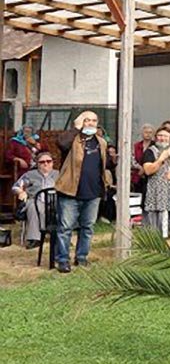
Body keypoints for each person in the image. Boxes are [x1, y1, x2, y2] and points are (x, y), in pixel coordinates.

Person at [54, 111, 110, 273]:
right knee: (65, 228)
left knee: (87, 227)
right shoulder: (72, 140)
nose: (91, 123)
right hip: (70, 191)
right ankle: (63, 260)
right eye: (87, 120)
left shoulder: (101, 142)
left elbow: (103, 165)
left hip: (93, 193)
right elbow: (61, 143)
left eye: (94, 120)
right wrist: (76, 128)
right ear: (80, 122)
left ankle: (82, 257)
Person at [141, 125, 170, 238]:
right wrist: (161, 158)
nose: (162, 138)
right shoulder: (150, 151)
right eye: (160, 136)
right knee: (155, 224)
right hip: (156, 194)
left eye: (165, 136)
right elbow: (148, 170)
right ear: (156, 137)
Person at [13, 152, 58, 248]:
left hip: (55, 201)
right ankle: (35, 238)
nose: (46, 164)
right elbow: (16, 186)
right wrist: (21, 192)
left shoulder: (58, 174)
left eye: (48, 161)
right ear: (37, 164)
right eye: (42, 162)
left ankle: (60, 237)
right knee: (33, 207)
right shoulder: (30, 175)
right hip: (36, 200)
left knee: (64, 207)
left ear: (52, 163)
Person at [132, 123, 155, 194]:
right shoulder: (136, 145)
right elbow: (132, 159)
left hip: (151, 176)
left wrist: (145, 169)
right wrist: (140, 168)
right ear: (142, 133)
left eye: (150, 132)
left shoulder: (155, 146)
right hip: (138, 175)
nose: (148, 134)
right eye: (146, 132)